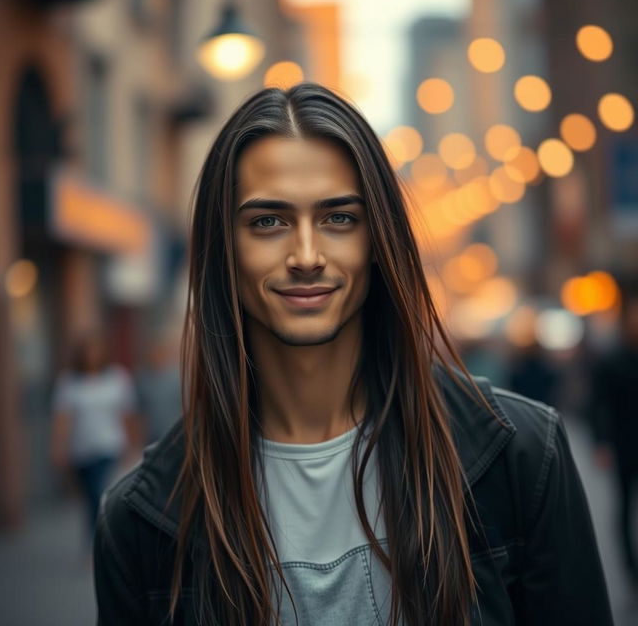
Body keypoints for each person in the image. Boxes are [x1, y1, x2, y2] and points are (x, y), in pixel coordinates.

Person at [93, 83, 613, 626]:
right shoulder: (141, 521)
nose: (307, 255)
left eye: (339, 218)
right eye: (267, 221)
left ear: (378, 238)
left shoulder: (520, 457)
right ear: (224, 247)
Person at [50, 331, 140, 543]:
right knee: (90, 497)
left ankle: (102, 541)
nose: (92, 355)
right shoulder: (69, 383)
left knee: (101, 493)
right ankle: (94, 539)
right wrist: (58, 448)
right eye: (88, 351)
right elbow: (62, 420)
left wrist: (133, 444)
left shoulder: (117, 378)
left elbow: (128, 415)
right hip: (81, 450)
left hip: (109, 445)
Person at [588, 290, 638, 592]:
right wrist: (601, 442)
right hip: (624, 443)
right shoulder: (612, 361)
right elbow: (599, 404)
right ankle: (631, 571)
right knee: (624, 508)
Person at [135, 335, 182, 445]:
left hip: (173, 433)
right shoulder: (142, 379)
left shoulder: (176, 377)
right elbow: (139, 411)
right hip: (152, 436)